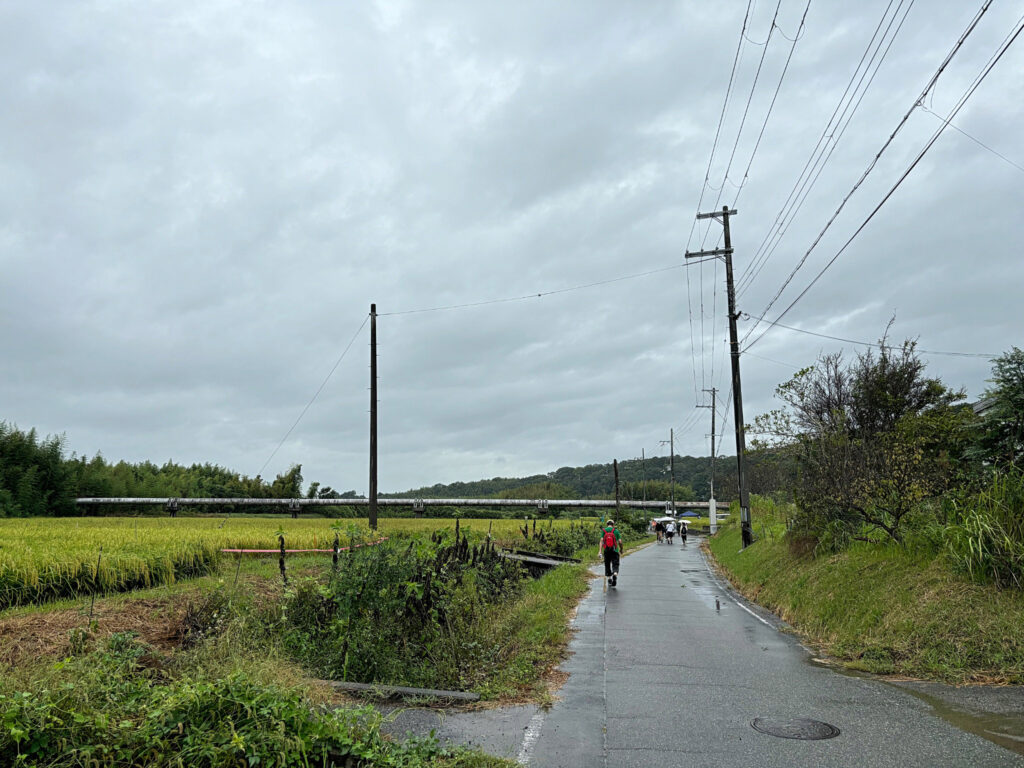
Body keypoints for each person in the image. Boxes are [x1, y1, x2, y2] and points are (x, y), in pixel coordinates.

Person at [600, 518, 622, 586]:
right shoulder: (616, 531)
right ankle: (615, 574)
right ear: (613, 524)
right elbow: (620, 541)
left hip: (606, 551)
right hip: (615, 550)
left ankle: (609, 578)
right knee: (615, 564)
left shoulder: (604, 530)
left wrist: (600, 551)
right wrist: (621, 549)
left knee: (607, 564)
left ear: (607, 524)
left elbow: (601, 541)